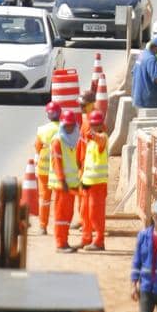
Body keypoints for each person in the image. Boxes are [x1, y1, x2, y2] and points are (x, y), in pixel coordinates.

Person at [48, 107, 84, 252]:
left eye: (71, 125)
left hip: (73, 183)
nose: (69, 128)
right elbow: (57, 164)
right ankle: (60, 243)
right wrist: (62, 181)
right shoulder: (57, 141)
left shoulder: (77, 138)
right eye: (66, 125)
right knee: (61, 215)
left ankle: (65, 241)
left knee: (68, 215)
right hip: (61, 185)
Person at [79, 108, 109, 251]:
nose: (93, 127)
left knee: (95, 213)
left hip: (98, 185)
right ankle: (86, 239)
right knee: (84, 212)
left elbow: (100, 140)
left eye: (96, 124)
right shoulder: (90, 142)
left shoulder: (102, 137)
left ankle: (99, 241)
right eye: (92, 124)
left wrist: (92, 135)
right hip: (87, 183)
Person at [34, 101, 62, 234]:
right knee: (59, 199)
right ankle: (59, 226)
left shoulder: (42, 130)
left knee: (44, 199)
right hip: (59, 171)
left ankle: (42, 226)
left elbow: (37, 147)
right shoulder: (64, 128)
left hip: (44, 170)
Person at [132, 28, 157, 110]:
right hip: (148, 101)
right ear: (155, 47)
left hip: (137, 98)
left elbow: (133, 72)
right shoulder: (151, 59)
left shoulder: (141, 54)